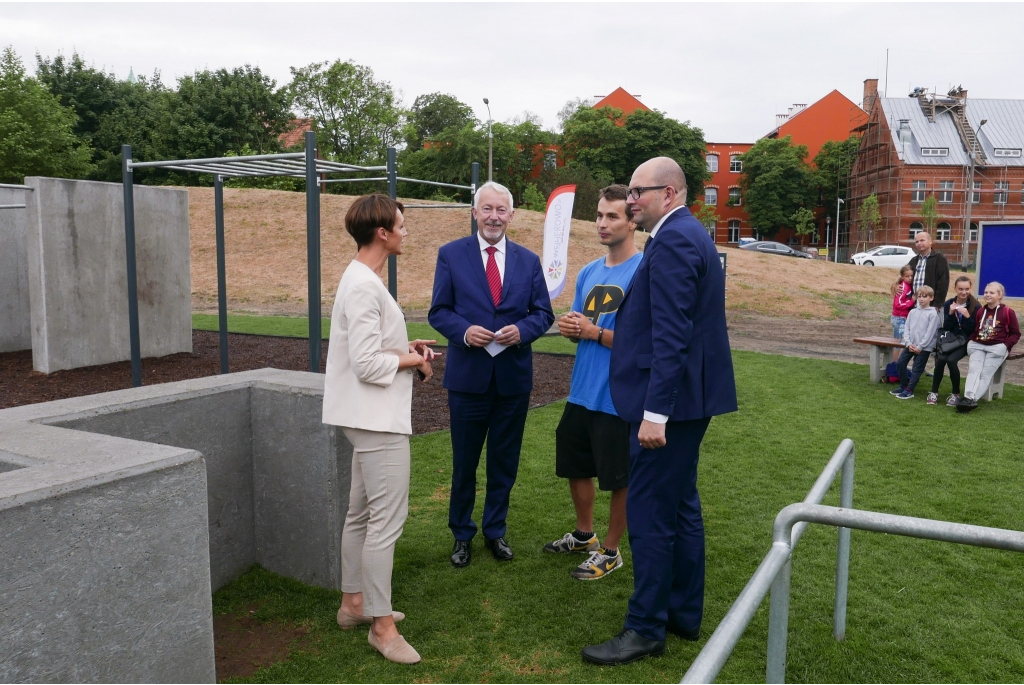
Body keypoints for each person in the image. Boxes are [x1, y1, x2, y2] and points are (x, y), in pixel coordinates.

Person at [581, 158, 737, 666]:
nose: (629, 202)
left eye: (636, 192)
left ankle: (645, 628)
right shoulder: (686, 234)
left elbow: (673, 336)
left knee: (650, 515)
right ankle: (683, 615)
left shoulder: (672, 241)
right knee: (681, 507)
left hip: (671, 406)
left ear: (668, 193)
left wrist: (655, 414)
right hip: (690, 401)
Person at [322, 194, 438, 665]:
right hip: (376, 420)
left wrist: (403, 346)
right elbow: (370, 365)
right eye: (402, 226)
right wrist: (415, 360)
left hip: (364, 417)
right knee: (384, 524)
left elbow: (368, 349)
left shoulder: (360, 279)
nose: (406, 233)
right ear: (383, 233)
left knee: (361, 514)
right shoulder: (364, 285)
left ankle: (353, 604)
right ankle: (381, 626)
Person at [428, 181, 555, 567]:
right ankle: (462, 535)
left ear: (511, 215)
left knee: (504, 461)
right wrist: (465, 332)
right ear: (474, 212)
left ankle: (495, 531)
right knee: (465, 462)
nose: (494, 217)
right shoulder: (451, 255)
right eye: (487, 209)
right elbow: (439, 311)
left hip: (512, 380)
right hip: (468, 380)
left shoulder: (528, 260)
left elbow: (543, 313)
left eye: (501, 210)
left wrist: (524, 331)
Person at [546, 184, 642, 581]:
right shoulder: (588, 271)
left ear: (633, 220)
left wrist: (593, 333)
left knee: (618, 476)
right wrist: (571, 328)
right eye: (599, 215)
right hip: (582, 390)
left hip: (618, 395)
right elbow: (579, 325)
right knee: (576, 464)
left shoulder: (644, 271)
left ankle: (612, 550)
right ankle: (585, 535)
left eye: (612, 216)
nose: (602, 223)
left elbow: (645, 344)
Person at [957, 282, 1020, 413]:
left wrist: (1005, 345)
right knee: (974, 371)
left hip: (997, 348)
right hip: (978, 345)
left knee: (985, 374)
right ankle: (969, 399)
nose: (987, 295)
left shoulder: (1008, 312)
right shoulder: (981, 311)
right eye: (986, 292)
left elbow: (1016, 334)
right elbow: (977, 329)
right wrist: (972, 341)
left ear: (1000, 295)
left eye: (991, 292)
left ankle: (969, 401)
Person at [927, 275, 979, 406]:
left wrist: (967, 317)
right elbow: (947, 327)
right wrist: (950, 314)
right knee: (941, 360)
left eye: (966, 289)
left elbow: (973, 329)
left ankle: (956, 394)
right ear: (955, 288)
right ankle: (934, 392)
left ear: (970, 288)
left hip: (965, 340)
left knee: (951, 360)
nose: (963, 292)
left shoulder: (976, 305)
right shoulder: (949, 303)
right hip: (951, 339)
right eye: (960, 289)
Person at [890, 286, 940, 400]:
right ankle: (903, 385)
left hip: (924, 348)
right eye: (919, 296)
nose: (921, 299)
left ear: (931, 298)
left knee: (917, 368)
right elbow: (906, 328)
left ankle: (910, 390)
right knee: (900, 363)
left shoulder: (933, 314)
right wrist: (908, 343)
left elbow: (930, 332)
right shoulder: (912, 312)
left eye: (925, 296)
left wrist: (921, 346)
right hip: (910, 345)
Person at [907, 231, 950, 308]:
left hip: (932, 306)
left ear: (930, 241)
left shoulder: (939, 259)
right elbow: (905, 277)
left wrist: (937, 304)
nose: (919, 243)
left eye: (922, 240)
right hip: (914, 306)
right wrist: (898, 285)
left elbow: (943, 283)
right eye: (917, 242)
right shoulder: (914, 260)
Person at [890, 265, 916, 363]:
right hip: (899, 319)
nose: (910, 278)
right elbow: (898, 304)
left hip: (903, 318)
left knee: (902, 342)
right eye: (907, 276)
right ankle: (895, 365)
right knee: (899, 343)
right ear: (902, 277)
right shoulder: (903, 287)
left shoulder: (908, 286)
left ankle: (899, 365)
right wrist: (911, 301)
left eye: (911, 276)